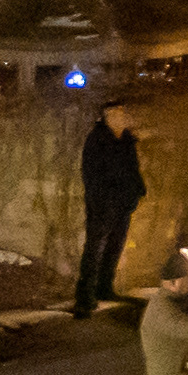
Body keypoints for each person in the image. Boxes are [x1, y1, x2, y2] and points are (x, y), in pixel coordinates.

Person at [71, 97, 152, 316]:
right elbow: (91, 175)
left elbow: (132, 168)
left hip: (123, 203)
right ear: (108, 116)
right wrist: (101, 201)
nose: (124, 117)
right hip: (103, 204)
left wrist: (138, 191)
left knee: (115, 246)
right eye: (119, 114)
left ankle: (104, 288)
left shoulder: (126, 140)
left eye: (124, 113)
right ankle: (85, 296)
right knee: (95, 248)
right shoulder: (97, 140)